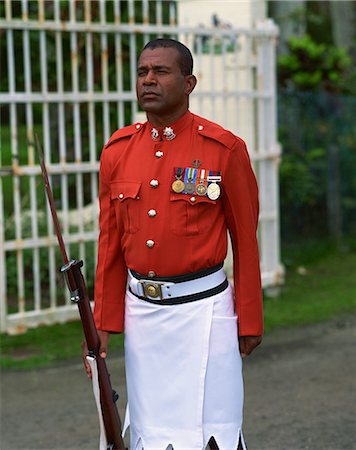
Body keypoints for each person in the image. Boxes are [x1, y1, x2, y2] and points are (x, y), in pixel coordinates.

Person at [83, 38, 263, 450]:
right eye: (143, 72)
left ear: (189, 82)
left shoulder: (223, 149)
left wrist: (249, 319)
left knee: (213, 431)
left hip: (206, 315)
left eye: (161, 72)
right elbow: (109, 244)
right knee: (152, 433)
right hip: (143, 316)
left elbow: (245, 241)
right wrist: (104, 325)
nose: (149, 80)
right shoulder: (118, 150)